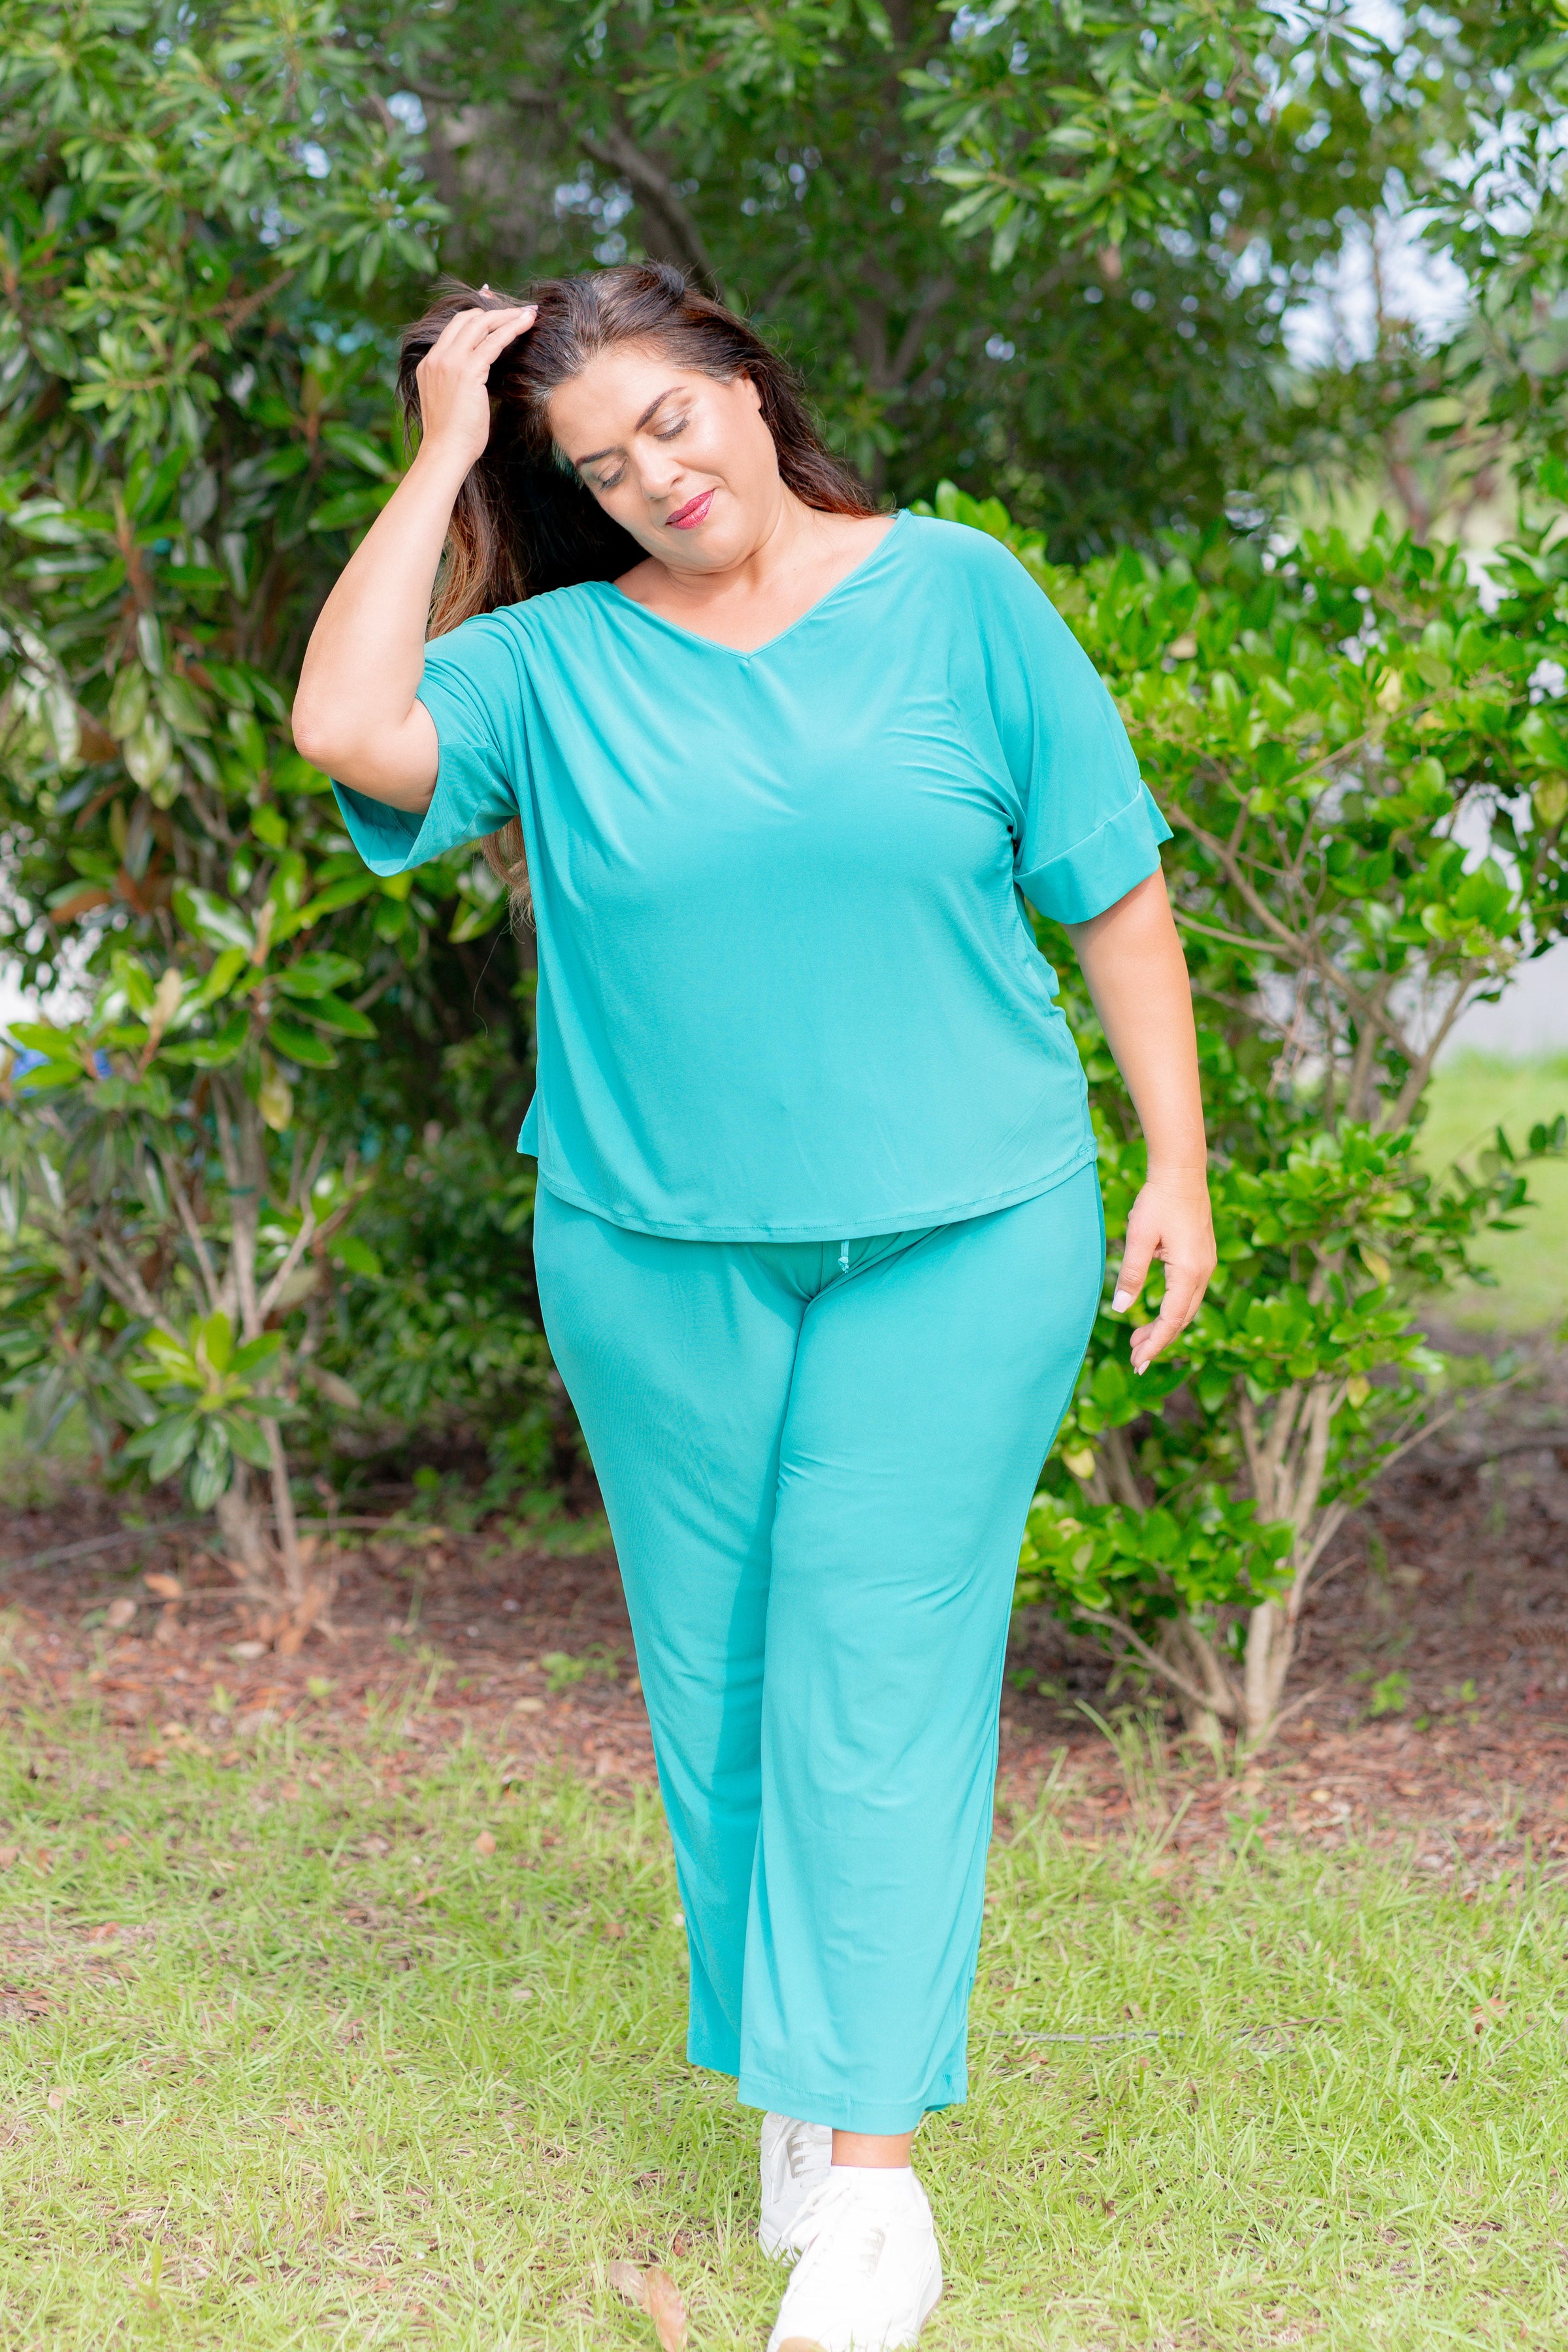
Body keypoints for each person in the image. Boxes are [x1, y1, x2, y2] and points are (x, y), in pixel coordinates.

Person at [293, 262, 1216, 2352]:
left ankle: (876, 2198)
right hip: (649, 1250)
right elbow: (348, 728)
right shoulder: (548, 667)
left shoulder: (959, 595)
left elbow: (1111, 882)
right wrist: (445, 452)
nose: (656, 477)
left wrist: (1176, 1165)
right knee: (716, 1675)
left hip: (966, 1227)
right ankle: (805, 2085)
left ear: (745, 382)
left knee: (874, 1651)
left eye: (672, 419)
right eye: (600, 465)